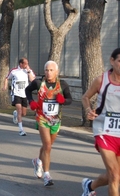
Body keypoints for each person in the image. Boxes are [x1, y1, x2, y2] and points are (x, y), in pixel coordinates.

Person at [25, 60, 72, 186]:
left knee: (48, 145)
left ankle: (37, 161)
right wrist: (31, 102)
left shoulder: (62, 84)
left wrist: (63, 101)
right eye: (46, 70)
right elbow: (27, 91)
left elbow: (70, 99)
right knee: (48, 146)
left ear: (56, 72)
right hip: (42, 118)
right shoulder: (39, 82)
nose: (48, 72)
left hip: (56, 120)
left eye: (51, 70)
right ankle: (47, 175)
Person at [80, 48, 120, 196]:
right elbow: (85, 97)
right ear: (112, 61)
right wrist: (89, 110)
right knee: (115, 175)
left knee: (115, 176)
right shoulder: (101, 80)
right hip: (104, 131)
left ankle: (90, 186)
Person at [4, 58, 35, 136]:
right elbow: (7, 78)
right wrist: (5, 86)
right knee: (19, 111)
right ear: (21, 64)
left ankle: (15, 113)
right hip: (16, 93)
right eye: (25, 63)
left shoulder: (28, 71)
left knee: (24, 113)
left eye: (27, 63)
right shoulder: (14, 71)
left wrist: (28, 71)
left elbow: (32, 80)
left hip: (24, 94)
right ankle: (21, 130)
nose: (27, 65)